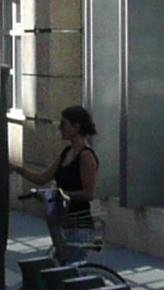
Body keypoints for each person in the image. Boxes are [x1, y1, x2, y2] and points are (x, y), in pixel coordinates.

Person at [14, 106, 102, 264]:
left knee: (73, 267)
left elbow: (89, 193)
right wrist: (16, 168)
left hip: (78, 221)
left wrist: (58, 194)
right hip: (62, 219)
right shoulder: (67, 151)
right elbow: (42, 178)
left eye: (63, 124)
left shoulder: (86, 156)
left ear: (76, 128)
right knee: (62, 264)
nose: (60, 128)